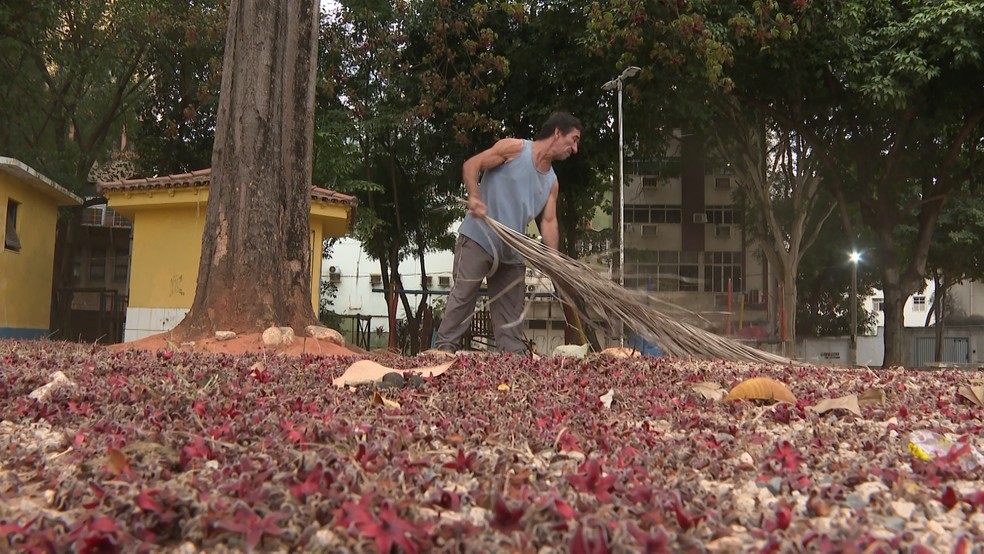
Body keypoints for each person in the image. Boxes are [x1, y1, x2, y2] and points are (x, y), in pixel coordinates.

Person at [435, 112, 582, 355]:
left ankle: (513, 364)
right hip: (479, 238)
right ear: (558, 132)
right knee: (462, 299)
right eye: (573, 139)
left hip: (512, 249)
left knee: (511, 318)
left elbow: (548, 220)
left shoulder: (552, 182)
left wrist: (554, 258)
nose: (574, 148)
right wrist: (474, 196)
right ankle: (441, 355)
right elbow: (472, 165)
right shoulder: (514, 149)